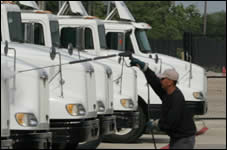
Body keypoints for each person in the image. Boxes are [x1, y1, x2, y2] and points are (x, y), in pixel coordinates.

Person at [130, 57, 196, 149]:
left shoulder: (176, 99)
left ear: (169, 82)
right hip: (177, 137)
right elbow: (155, 82)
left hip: (184, 139)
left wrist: (157, 124)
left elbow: (171, 122)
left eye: (162, 79)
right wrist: (144, 68)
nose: (160, 81)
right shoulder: (168, 93)